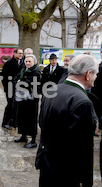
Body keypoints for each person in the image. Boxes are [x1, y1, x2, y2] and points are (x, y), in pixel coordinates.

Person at [35, 54, 98, 186]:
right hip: (67, 172)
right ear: (88, 74)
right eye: (95, 73)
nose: (96, 77)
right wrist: (86, 181)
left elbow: (42, 123)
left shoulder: (51, 90)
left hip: (47, 164)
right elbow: (84, 148)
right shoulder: (83, 102)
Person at [13, 54, 41, 148]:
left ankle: (33, 141)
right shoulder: (23, 70)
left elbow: (28, 83)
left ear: (34, 62)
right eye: (26, 61)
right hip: (22, 97)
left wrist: (20, 82)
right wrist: (20, 81)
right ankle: (23, 136)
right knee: (22, 117)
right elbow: (15, 79)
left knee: (31, 119)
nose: (28, 63)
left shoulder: (36, 72)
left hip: (31, 99)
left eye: (30, 61)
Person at [1, 48, 24, 129]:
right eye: (19, 53)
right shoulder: (9, 63)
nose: (21, 55)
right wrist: (6, 88)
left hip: (19, 88)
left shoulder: (23, 62)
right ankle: (5, 122)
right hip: (10, 88)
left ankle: (13, 121)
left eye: (22, 53)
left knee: (16, 105)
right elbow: (3, 77)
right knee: (10, 105)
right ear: (14, 53)